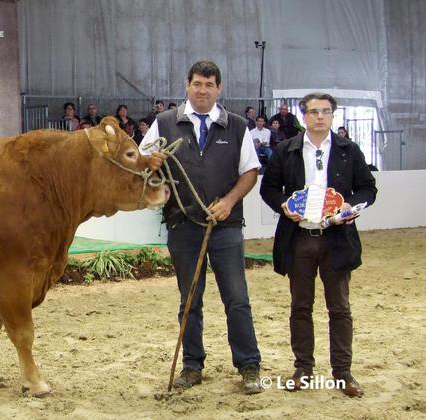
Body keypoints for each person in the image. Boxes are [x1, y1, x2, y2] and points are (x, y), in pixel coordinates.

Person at [141, 60, 263, 394]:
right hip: (184, 225)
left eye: (209, 85)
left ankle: (249, 364)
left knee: (236, 297)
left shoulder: (236, 126)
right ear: (187, 85)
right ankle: (192, 365)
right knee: (189, 298)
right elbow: (143, 161)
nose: (203, 90)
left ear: (219, 88)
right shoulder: (165, 123)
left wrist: (228, 202)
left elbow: (249, 172)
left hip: (225, 227)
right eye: (197, 84)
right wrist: (150, 162)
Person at [260, 92, 377, 398]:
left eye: (325, 111)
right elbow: (268, 188)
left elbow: (367, 188)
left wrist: (350, 208)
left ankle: (343, 372)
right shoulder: (285, 149)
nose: (320, 116)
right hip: (299, 238)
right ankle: (303, 369)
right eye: (314, 111)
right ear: (303, 116)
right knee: (300, 306)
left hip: (337, 239)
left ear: (332, 115)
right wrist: (283, 205)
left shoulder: (349, 150)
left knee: (339, 308)